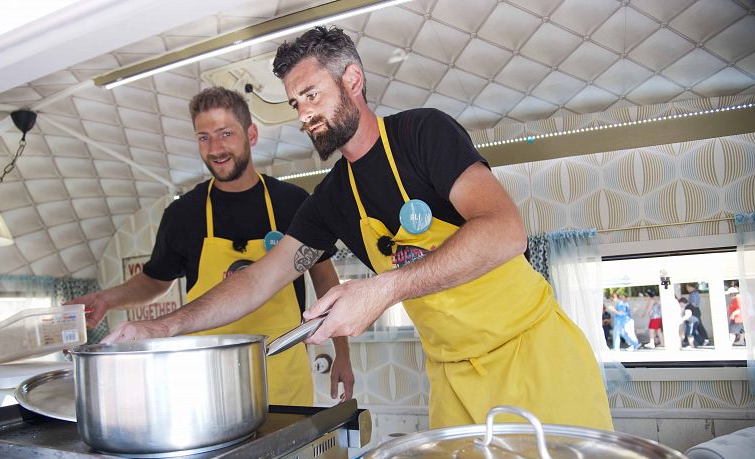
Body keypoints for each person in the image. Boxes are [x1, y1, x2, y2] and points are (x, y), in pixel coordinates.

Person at [104, 26, 612, 431]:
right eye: (295, 103)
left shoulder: (422, 134)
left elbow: (505, 232)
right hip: (453, 377)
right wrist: (159, 327)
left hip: (534, 355)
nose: (304, 114)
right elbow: (259, 280)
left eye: (311, 94)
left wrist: (381, 290)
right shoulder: (332, 200)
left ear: (352, 81)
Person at [70, 87, 353, 405]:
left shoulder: (292, 203)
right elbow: (154, 280)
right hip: (208, 383)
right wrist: (106, 298)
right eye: (203, 137)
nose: (215, 148)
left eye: (226, 133)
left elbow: (325, 278)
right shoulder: (183, 213)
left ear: (251, 134)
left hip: (283, 374)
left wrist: (341, 352)